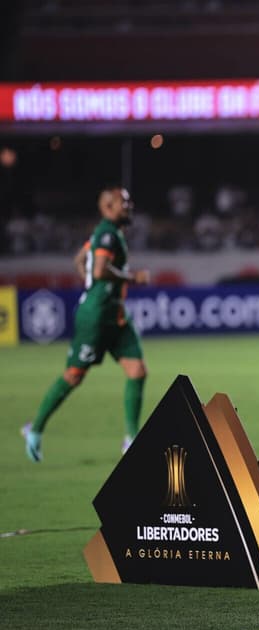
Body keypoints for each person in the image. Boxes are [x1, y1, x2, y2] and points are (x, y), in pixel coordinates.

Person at [23, 186, 148, 462]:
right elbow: (100, 269)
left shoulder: (106, 233)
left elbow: (80, 261)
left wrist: (91, 281)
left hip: (115, 316)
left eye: (128, 201)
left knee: (137, 370)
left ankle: (131, 440)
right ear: (107, 207)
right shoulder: (106, 233)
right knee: (73, 376)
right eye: (123, 202)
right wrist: (130, 278)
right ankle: (36, 428)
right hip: (96, 318)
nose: (129, 205)